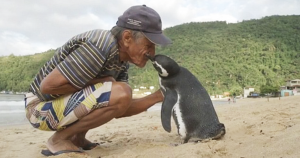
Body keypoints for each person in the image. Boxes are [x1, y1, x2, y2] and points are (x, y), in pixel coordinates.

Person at [24, 5, 172, 156]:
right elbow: (47, 87)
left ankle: (77, 138)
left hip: (56, 106)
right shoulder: (100, 44)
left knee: (120, 91)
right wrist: (101, 82)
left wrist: (158, 96)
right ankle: (59, 139)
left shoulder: (121, 62)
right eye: (148, 45)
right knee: (119, 90)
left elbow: (120, 106)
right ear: (127, 38)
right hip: (38, 109)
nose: (152, 53)